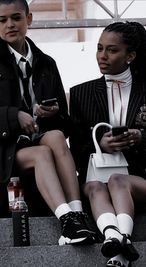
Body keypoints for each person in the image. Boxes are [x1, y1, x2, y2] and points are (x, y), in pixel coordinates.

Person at [69, 21, 146, 267]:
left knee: (117, 180)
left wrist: (140, 138)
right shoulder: (80, 93)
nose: (102, 56)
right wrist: (100, 143)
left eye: (112, 50)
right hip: (94, 175)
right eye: (99, 48)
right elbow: (75, 151)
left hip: (139, 177)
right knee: (95, 186)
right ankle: (118, 238)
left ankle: (118, 235)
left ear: (131, 56)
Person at [0, 0, 95, 245]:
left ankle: (77, 212)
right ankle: (66, 221)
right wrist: (14, 116)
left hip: (39, 138)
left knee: (55, 136)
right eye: (2, 20)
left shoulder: (46, 63)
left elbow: (65, 124)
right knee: (42, 152)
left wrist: (53, 113)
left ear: (29, 19)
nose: (10, 24)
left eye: (16, 18)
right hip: (6, 150)